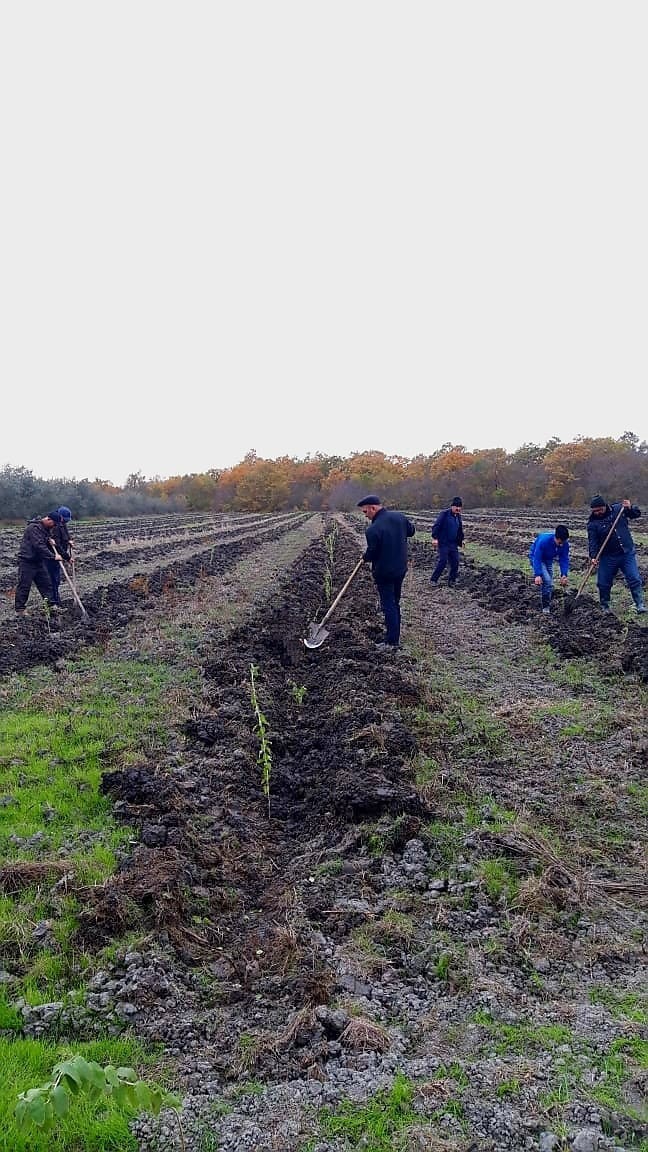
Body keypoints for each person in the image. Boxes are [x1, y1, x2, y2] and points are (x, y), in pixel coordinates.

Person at [357, 495, 416, 649]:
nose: (366, 515)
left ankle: (391, 642)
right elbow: (411, 532)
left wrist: (365, 557)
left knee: (388, 605)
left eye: (365, 512)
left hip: (384, 573)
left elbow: (373, 553)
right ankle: (395, 635)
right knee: (395, 602)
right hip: (400, 569)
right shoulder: (400, 518)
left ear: (373, 508)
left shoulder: (373, 529)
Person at [587, 495, 645, 614]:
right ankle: (605, 606)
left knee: (634, 578)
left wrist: (629, 508)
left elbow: (636, 514)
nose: (598, 512)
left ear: (605, 506)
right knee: (603, 582)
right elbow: (592, 542)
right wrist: (593, 556)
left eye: (600, 510)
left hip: (626, 553)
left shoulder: (619, 509)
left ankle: (640, 604)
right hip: (608, 556)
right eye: (595, 511)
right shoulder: (592, 523)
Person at [15, 513, 64, 614]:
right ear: (49, 520)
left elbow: (44, 542)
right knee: (24, 585)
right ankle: (20, 610)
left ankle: (51, 606)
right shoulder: (33, 528)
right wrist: (53, 556)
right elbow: (38, 545)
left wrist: (50, 541)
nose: (54, 527)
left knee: (46, 584)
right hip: (27, 561)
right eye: (54, 524)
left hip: (38, 561)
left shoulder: (45, 529)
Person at [528, 525, 570, 613]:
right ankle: (546, 608)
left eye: (563, 542)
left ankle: (547, 603)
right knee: (547, 581)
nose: (561, 544)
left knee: (549, 583)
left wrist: (564, 574)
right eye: (559, 543)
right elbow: (537, 558)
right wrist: (538, 574)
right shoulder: (544, 541)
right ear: (555, 537)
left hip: (548, 559)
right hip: (536, 557)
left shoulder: (564, 544)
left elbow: (564, 559)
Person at [430, 497, 464, 587]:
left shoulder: (458, 516)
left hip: (453, 544)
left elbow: (459, 530)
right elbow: (436, 526)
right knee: (443, 561)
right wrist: (435, 538)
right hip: (443, 543)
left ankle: (452, 581)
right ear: (452, 506)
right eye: (456, 506)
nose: (458, 508)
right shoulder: (444, 514)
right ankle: (433, 580)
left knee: (455, 562)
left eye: (460, 507)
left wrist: (461, 540)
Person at [45, 506, 73, 607]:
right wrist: (67, 557)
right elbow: (57, 545)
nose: (65, 523)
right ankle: (54, 602)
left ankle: (57, 600)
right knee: (53, 580)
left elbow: (66, 532)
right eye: (64, 520)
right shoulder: (55, 526)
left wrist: (69, 539)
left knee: (56, 580)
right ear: (60, 517)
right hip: (53, 556)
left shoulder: (62, 523)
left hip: (59, 556)